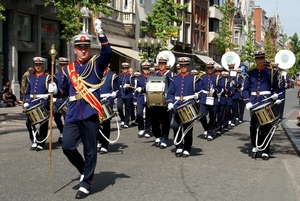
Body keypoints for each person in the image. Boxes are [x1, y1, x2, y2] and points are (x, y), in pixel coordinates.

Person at [48, 19, 112, 199]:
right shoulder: (68, 70)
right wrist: (55, 90)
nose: (83, 50)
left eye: (86, 47)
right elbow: (64, 92)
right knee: (67, 146)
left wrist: (101, 33)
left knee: (90, 150)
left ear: (89, 49)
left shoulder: (96, 65)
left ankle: (86, 183)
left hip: (90, 111)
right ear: (75, 49)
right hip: (73, 112)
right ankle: (85, 169)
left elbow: (107, 53)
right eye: (80, 47)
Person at [242, 50, 282, 160]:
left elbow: (277, 88)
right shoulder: (250, 74)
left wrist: (275, 95)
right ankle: (255, 146)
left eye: (261, 58)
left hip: (266, 102)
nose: (260, 61)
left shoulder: (271, 73)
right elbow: (245, 89)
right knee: (253, 127)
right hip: (254, 102)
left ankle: (265, 150)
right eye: (258, 59)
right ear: (255, 60)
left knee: (266, 126)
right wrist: (247, 101)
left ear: (264, 59)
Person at [167, 57, 201, 157]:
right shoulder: (174, 79)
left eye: (185, 65)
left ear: (188, 66)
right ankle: (179, 146)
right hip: (177, 105)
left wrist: (197, 95)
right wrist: (170, 102)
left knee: (187, 129)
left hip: (188, 105)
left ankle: (187, 148)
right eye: (181, 65)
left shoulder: (193, 78)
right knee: (176, 127)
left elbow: (201, 92)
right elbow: (170, 93)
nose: (183, 67)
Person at [23, 57, 50, 151]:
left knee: (43, 124)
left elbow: (51, 91)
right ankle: (34, 140)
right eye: (36, 65)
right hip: (32, 102)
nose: (38, 66)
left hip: (42, 102)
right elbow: (27, 92)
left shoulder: (47, 78)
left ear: (43, 65)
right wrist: (26, 101)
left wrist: (48, 96)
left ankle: (41, 143)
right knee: (29, 123)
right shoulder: (31, 78)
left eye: (40, 65)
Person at [150, 55, 172, 149]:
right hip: (155, 102)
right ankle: (158, 136)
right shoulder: (155, 75)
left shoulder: (170, 75)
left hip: (166, 102)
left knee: (165, 122)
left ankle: (164, 139)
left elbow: (173, 88)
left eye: (163, 63)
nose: (161, 65)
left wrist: (170, 98)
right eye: (160, 63)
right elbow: (149, 87)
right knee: (154, 121)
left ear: (166, 64)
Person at [97, 66, 118, 154]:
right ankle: (100, 139)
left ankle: (105, 145)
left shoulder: (112, 76)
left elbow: (117, 90)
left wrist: (114, 94)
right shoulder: (96, 75)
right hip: (96, 101)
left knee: (106, 123)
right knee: (95, 124)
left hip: (107, 102)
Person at [198, 61, 222, 141]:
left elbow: (221, 87)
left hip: (213, 98)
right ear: (206, 68)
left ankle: (210, 133)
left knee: (213, 117)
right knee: (201, 115)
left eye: (211, 67)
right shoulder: (202, 77)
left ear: (213, 68)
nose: (210, 69)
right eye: (208, 67)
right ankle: (206, 128)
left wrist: (215, 90)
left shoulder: (217, 77)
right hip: (204, 98)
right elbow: (199, 88)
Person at [53, 57, 69, 144]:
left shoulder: (70, 75)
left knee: (67, 118)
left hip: (67, 99)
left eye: (64, 65)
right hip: (58, 100)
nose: (63, 66)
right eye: (61, 65)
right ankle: (62, 130)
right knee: (56, 116)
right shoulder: (56, 76)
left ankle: (65, 134)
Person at [136, 62, 152, 138]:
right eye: (144, 68)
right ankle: (141, 128)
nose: (146, 70)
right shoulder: (139, 78)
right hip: (141, 97)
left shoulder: (152, 77)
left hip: (149, 97)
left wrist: (143, 89)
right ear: (142, 69)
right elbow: (136, 88)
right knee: (139, 113)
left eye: (147, 68)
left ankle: (147, 130)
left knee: (149, 115)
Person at [117, 62, 134, 128]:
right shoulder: (120, 76)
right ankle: (123, 119)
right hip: (121, 94)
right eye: (123, 68)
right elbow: (118, 84)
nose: (125, 69)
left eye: (126, 68)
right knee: (119, 107)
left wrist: (129, 85)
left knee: (128, 109)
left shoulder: (130, 76)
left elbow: (133, 84)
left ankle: (126, 122)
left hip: (128, 94)